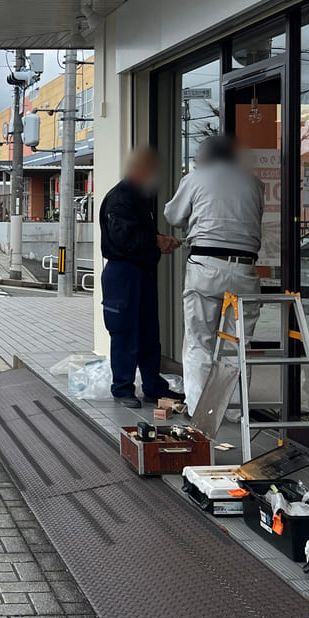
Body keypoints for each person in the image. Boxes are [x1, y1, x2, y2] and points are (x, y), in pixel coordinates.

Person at [163, 134, 265, 414]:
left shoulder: (196, 179)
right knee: (236, 344)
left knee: (199, 342)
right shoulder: (254, 183)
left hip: (207, 266)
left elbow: (173, 216)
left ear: (204, 157)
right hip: (245, 269)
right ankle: (232, 410)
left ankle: (200, 413)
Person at [99, 147, 181, 408]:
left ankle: (154, 387)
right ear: (140, 169)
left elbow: (140, 237)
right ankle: (122, 389)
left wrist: (158, 242)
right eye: (151, 169)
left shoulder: (139, 197)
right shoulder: (119, 198)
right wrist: (157, 240)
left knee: (148, 332)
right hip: (123, 273)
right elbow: (124, 238)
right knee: (124, 332)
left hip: (142, 272)